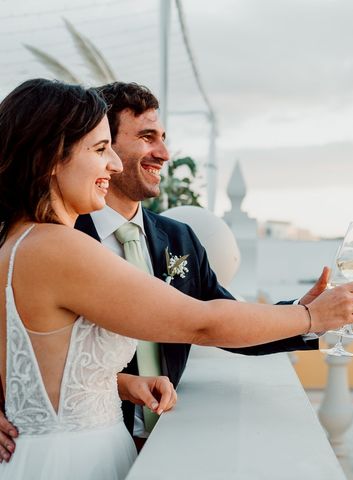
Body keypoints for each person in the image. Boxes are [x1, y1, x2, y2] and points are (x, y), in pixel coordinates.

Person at [0, 78, 353, 479]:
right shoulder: (59, 246)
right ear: (53, 156)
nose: (115, 164)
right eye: (101, 149)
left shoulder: (19, 239)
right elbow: (203, 321)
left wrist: (117, 384)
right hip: (70, 462)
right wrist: (313, 318)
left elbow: (38, 352)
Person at [74, 81, 337, 446]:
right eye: (147, 137)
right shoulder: (61, 237)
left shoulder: (178, 238)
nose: (164, 153)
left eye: (163, 138)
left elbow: (221, 318)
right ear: (105, 144)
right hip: (85, 439)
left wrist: (303, 316)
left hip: (167, 438)